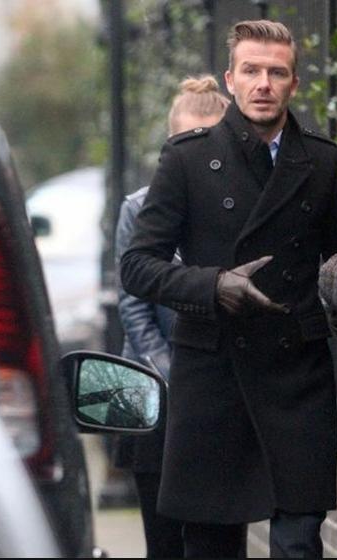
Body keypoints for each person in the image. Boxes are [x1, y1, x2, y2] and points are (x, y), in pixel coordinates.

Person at [121, 20, 337, 559]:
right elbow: (137, 267)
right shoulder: (187, 158)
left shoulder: (323, 162)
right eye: (251, 71)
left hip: (297, 374)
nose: (263, 84)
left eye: (276, 73)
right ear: (231, 79)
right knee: (210, 543)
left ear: (294, 83)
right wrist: (213, 285)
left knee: (299, 540)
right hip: (213, 374)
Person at [114, 75, 231, 559]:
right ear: (169, 143)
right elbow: (132, 302)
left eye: (210, 141)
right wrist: (168, 370)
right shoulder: (138, 209)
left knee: (221, 536)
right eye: (186, 140)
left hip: (219, 388)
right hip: (152, 390)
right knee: (161, 536)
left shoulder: (238, 207)